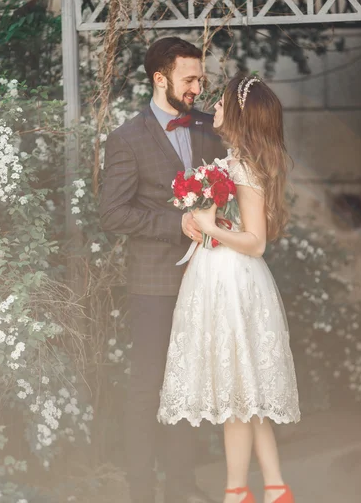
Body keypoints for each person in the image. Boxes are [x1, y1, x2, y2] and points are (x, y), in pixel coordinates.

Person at [158, 75, 300, 503]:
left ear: (237, 113)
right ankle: (273, 487)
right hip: (222, 274)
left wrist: (206, 226)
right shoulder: (237, 160)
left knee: (239, 392)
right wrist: (208, 222)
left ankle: (237, 492)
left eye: (220, 102)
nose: (214, 107)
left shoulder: (243, 166)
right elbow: (239, 227)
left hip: (235, 280)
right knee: (245, 390)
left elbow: (256, 242)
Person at [100, 36, 225, 503]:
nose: (197, 87)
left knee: (190, 383)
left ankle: (181, 485)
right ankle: (140, 490)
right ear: (160, 78)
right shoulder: (126, 139)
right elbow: (112, 213)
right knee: (147, 384)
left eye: (200, 78)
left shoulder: (212, 126)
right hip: (153, 282)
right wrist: (177, 223)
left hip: (207, 277)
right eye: (189, 79)